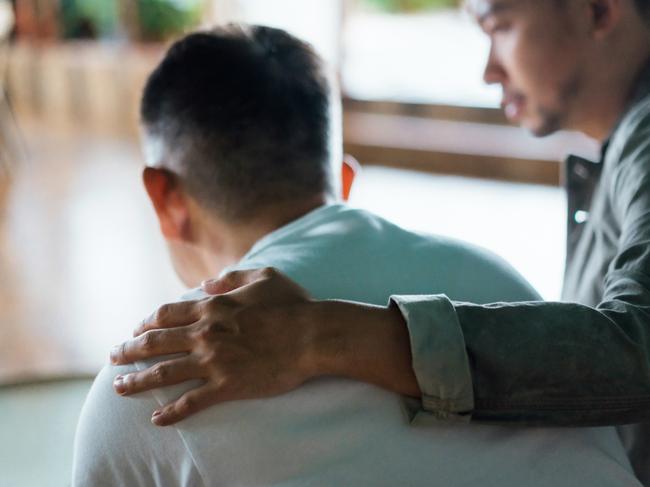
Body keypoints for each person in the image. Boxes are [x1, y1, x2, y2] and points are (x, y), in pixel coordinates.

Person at [72, 24, 642, 486]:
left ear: (164, 196)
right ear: (345, 181)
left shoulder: (152, 384)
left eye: (499, 21)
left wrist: (317, 336)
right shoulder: (500, 282)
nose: (489, 69)